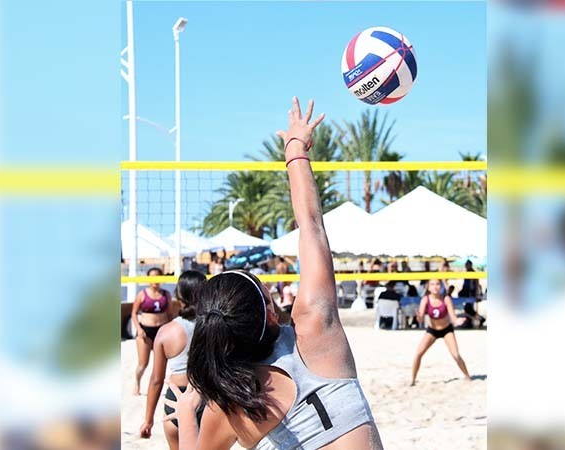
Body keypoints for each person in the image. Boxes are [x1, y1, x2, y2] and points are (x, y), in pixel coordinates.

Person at [165, 97, 383, 449]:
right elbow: (311, 225)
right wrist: (295, 148)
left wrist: (189, 413)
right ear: (268, 310)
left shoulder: (229, 402)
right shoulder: (315, 328)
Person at [139, 270, 207, 449]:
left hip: (176, 399)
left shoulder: (167, 331)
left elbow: (156, 380)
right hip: (208, 396)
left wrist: (148, 420)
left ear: (178, 294)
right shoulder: (215, 326)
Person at [410, 279, 472, 386]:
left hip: (446, 329)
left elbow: (453, 318)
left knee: (456, 355)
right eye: (432, 284)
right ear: (428, 287)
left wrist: (458, 321)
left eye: (438, 284)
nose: (435, 287)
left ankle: (467, 376)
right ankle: (413, 380)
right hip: (432, 330)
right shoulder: (425, 299)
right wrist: (419, 316)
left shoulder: (446, 299)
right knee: (418, 354)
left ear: (441, 286)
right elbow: (420, 320)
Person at [131, 267, 174, 395]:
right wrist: (139, 329)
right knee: (143, 364)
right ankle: (137, 382)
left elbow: (170, 314)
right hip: (145, 331)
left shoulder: (166, 294)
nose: (155, 280)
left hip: (161, 331)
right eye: (153, 277)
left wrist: (171, 329)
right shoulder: (142, 294)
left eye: (158, 276)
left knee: (160, 364)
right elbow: (134, 313)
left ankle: (155, 387)